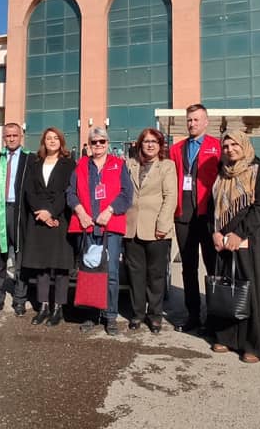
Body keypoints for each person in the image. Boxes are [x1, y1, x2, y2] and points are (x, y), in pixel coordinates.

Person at [207, 129, 260, 363]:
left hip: (253, 238)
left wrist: (238, 235)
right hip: (224, 239)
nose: (230, 149)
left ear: (244, 145)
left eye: (234, 145)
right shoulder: (222, 173)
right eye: (226, 146)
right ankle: (227, 337)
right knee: (228, 288)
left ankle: (254, 344)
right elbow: (213, 206)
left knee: (252, 291)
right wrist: (215, 232)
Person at [68, 126, 133, 335]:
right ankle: (90, 314)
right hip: (86, 226)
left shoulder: (119, 164)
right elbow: (70, 193)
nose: (98, 145)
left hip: (110, 227)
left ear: (108, 143)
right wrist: (80, 212)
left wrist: (110, 210)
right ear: (88, 144)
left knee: (111, 273)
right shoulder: (80, 166)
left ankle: (110, 315)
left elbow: (126, 194)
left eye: (102, 141)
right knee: (88, 272)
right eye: (94, 142)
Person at [169, 103, 221, 332]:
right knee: (188, 267)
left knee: (212, 267)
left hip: (207, 216)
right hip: (183, 215)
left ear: (206, 122)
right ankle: (193, 314)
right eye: (189, 120)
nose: (192, 124)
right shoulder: (176, 149)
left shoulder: (217, 147)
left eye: (197, 120)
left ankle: (215, 315)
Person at [21, 127, 76, 326]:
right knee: (41, 267)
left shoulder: (69, 164)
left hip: (60, 219)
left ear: (61, 142)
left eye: (55, 138)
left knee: (60, 267)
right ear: (43, 142)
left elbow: (68, 191)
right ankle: (43, 306)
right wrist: (42, 214)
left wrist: (51, 212)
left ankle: (58, 308)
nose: (52, 141)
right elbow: (29, 191)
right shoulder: (35, 164)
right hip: (39, 219)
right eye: (48, 138)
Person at [124, 128, 177, 333]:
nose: (150, 145)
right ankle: (137, 313)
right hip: (132, 228)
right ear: (140, 144)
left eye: (154, 141)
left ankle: (155, 315)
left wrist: (163, 225)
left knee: (155, 274)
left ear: (160, 144)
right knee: (135, 273)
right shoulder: (130, 164)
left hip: (156, 228)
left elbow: (170, 196)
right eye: (146, 141)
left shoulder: (167, 166)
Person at [0, 123, 31, 317]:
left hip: (20, 213)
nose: (11, 139)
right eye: (8, 136)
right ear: (3, 138)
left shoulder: (30, 158)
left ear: (21, 136)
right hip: (1, 210)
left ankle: (20, 300)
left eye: (15, 135)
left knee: (20, 258)